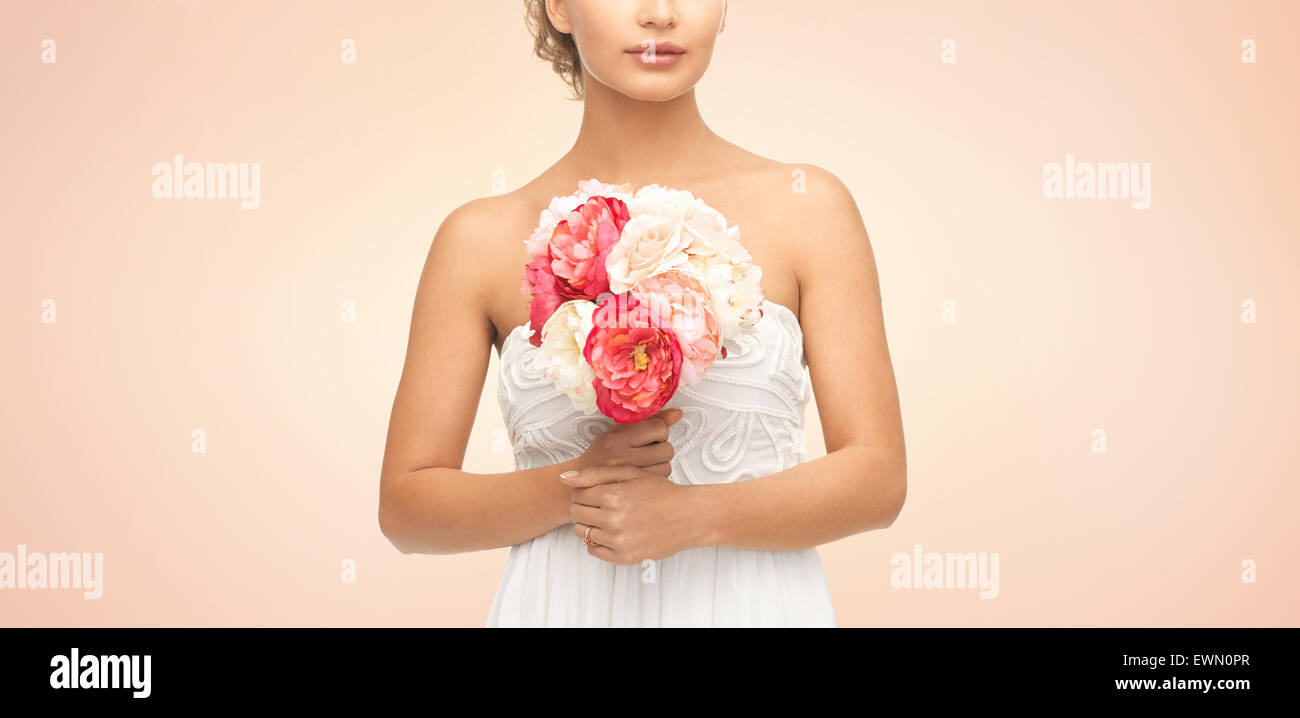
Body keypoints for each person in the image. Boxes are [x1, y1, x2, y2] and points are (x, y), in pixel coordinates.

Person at [378, 0, 906, 627]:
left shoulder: (810, 207)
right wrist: (577, 486)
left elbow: (877, 479)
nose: (660, 14)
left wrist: (693, 516)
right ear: (559, 9)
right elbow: (407, 508)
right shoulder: (479, 238)